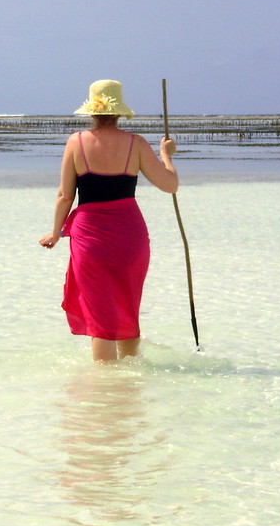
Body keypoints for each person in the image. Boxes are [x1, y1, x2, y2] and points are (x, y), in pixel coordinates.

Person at [39, 80, 178, 362]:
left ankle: (105, 391)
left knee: (100, 317)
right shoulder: (136, 144)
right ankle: (129, 381)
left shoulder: (76, 142)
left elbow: (65, 195)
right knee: (127, 305)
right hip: (130, 236)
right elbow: (170, 185)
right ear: (119, 112)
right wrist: (166, 156)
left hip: (90, 237)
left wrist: (55, 232)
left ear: (92, 111)